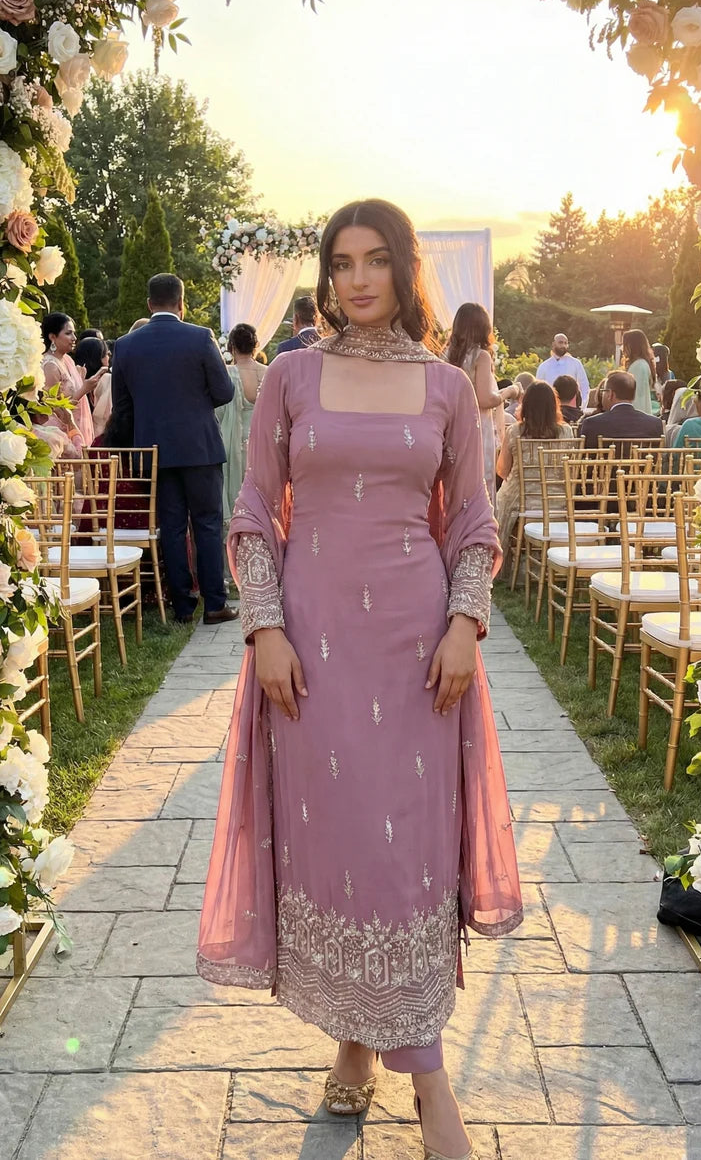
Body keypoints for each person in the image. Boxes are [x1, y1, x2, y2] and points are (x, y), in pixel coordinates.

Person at [198, 199, 522, 1160]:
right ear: (327, 278)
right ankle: (352, 1042)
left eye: (376, 260)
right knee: (340, 843)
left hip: (419, 651)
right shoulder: (292, 377)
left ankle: (426, 1078)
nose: (357, 279)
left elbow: (474, 522)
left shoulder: (446, 389)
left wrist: (463, 625)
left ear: (404, 268)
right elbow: (256, 508)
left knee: (406, 851)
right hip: (312, 649)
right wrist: (265, 628)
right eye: (341, 263)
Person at [111, 273, 237, 625]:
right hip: (199, 446)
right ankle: (214, 604)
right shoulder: (200, 337)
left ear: (149, 304)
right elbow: (224, 391)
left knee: (171, 526)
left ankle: (182, 605)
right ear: (182, 303)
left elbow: (122, 405)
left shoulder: (126, 345)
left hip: (154, 450)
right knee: (207, 523)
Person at [445, 302, 519, 505]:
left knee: (452, 484)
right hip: (476, 427)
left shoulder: (445, 354)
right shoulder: (480, 356)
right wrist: (509, 391)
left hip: (450, 425)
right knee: (479, 483)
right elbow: (485, 399)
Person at [495, 382, 574, 560]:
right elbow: (570, 471)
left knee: (497, 500)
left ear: (526, 405)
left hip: (519, 500)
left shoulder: (515, 431)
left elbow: (502, 470)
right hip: (556, 501)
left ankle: (504, 561)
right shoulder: (566, 432)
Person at [216, 322, 267, 522]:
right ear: (255, 346)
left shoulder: (227, 374)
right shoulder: (269, 372)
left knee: (236, 494)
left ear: (232, 347)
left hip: (232, 441)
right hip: (263, 442)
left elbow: (218, 413)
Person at [40, 312, 106, 458]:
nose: (74, 338)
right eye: (68, 333)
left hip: (74, 429)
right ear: (52, 337)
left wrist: (82, 381)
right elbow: (55, 409)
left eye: (74, 333)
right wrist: (84, 389)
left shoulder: (67, 360)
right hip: (60, 435)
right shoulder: (49, 365)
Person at [578, 369, 663, 448]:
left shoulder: (591, 424)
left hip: (605, 460)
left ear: (610, 394)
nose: (602, 394)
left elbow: (585, 456)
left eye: (603, 391)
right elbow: (657, 457)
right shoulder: (655, 424)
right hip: (643, 460)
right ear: (633, 396)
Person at [72, 335, 112, 437]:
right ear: (97, 357)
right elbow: (106, 415)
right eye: (106, 354)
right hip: (100, 435)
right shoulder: (107, 379)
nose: (109, 356)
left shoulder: (75, 376)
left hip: (77, 431)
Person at [536, 333, 590, 407]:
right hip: (551, 407)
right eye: (560, 342)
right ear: (553, 344)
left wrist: (582, 406)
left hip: (572, 408)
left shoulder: (575, 363)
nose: (563, 345)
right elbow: (538, 389)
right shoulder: (544, 366)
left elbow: (584, 386)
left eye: (565, 343)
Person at [622, 329, 656, 416]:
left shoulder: (638, 366)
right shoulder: (642, 364)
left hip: (635, 416)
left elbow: (638, 397)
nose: (623, 348)